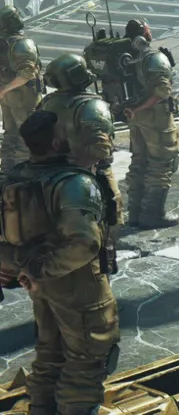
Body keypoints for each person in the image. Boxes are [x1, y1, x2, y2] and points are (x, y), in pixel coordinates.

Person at [0, 111, 119, 415]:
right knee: (87, 360)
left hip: (40, 286)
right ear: (56, 143)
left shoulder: (17, 176)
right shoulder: (73, 182)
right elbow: (85, 243)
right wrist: (37, 269)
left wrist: (22, 267)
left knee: (50, 355)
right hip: (77, 285)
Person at [38, 54, 122, 231]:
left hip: (53, 176)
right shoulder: (93, 106)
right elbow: (101, 150)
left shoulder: (47, 102)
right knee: (109, 222)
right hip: (91, 175)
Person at [116, 19, 179, 229]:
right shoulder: (153, 58)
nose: (150, 31)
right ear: (143, 34)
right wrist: (140, 108)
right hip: (155, 119)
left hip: (136, 119)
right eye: (148, 29)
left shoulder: (129, 59)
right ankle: (153, 215)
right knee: (161, 164)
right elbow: (162, 91)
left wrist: (134, 111)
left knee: (139, 162)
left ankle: (135, 213)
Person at [0, 4, 42, 175]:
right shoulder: (22, 44)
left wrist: (3, 90)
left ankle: (7, 172)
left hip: (8, 96)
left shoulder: (4, 43)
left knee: (10, 135)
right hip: (23, 97)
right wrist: (5, 89)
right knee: (27, 136)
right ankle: (24, 174)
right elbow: (28, 73)